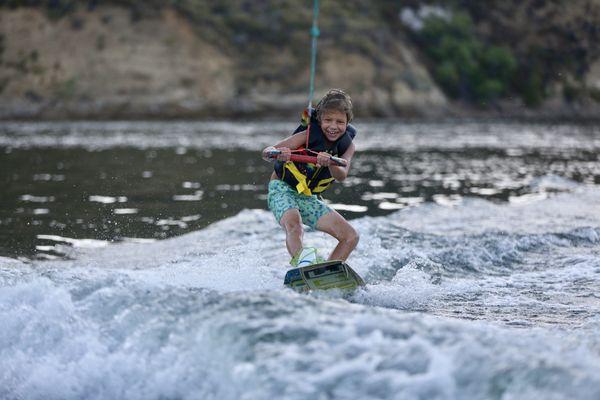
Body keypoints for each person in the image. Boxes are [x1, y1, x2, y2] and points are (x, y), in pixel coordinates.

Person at [262, 89, 359, 267]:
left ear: (347, 123)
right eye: (328, 120)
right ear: (320, 120)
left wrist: (330, 163)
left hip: (307, 197)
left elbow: (341, 176)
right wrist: (281, 153)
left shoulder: (348, 147)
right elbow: (267, 152)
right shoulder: (306, 135)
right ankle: (303, 265)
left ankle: (329, 272)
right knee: (294, 225)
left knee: (351, 237)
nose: (333, 126)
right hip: (282, 189)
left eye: (340, 122)